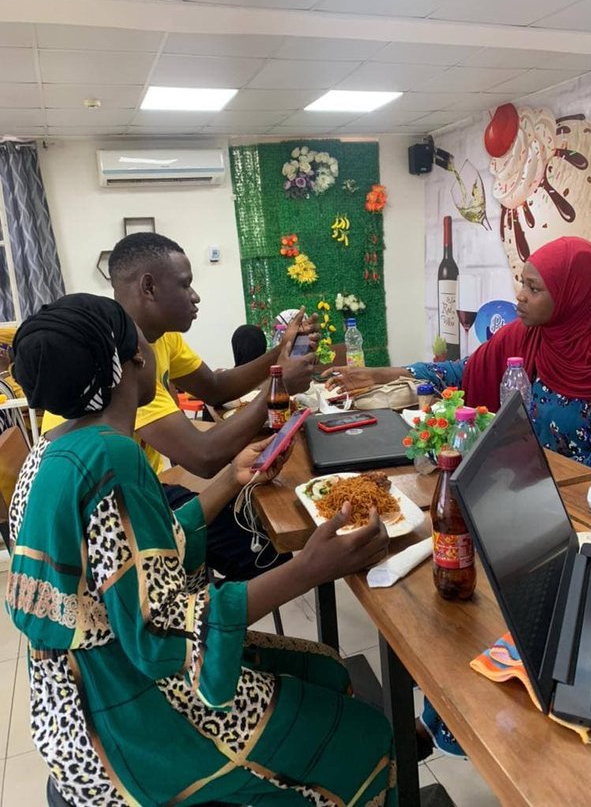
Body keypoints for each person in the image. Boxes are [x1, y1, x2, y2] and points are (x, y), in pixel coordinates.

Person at [7, 293, 396, 806]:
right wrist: (309, 568)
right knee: (365, 738)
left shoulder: (54, 449)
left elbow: (143, 564)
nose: (150, 350)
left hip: (80, 696)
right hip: (126, 720)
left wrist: (233, 481)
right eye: (140, 342)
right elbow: (163, 630)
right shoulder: (111, 460)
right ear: (129, 365)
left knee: (326, 667)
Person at [41, 232, 319, 579]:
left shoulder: (161, 337)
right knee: (256, 543)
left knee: (254, 519)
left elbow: (215, 387)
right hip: (115, 504)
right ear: (149, 287)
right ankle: (207, 612)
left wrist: (280, 355)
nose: (195, 295)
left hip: (139, 484)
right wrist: (277, 389)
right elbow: (202, 457)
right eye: (185, 284)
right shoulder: (119, 364)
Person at [325, 236, 591, 473]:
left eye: (534, 289)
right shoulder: (526, 335)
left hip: (580, 510)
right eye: (522, 284)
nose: (521, 296)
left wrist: (538, 470)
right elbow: (465, 372)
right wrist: (382, 374)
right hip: (518, 487)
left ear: (574, 296)